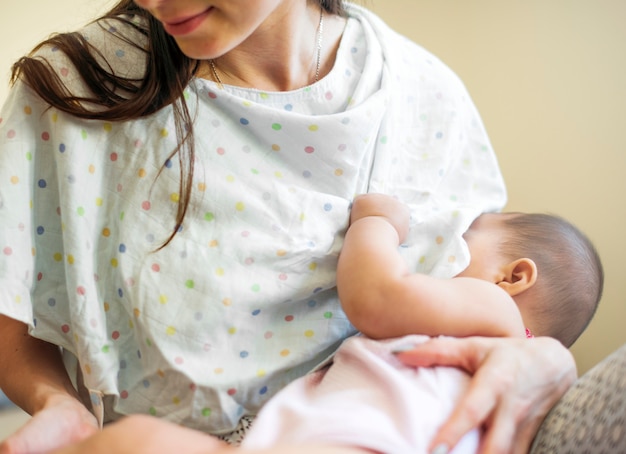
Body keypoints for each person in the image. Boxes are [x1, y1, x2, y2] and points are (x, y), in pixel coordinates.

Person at [0, 1, 580, 453]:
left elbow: (480, 310)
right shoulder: (75, 90)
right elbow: (13, 313)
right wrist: (59, 405)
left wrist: (545, 357)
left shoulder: (430, 100)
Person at [236, 193, 603, 453]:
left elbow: (377, 298)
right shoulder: (505, 356)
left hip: (374, 438)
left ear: (512, 277)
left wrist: (376, 224)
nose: (441, 246)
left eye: (465, 235)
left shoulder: (497, 308)